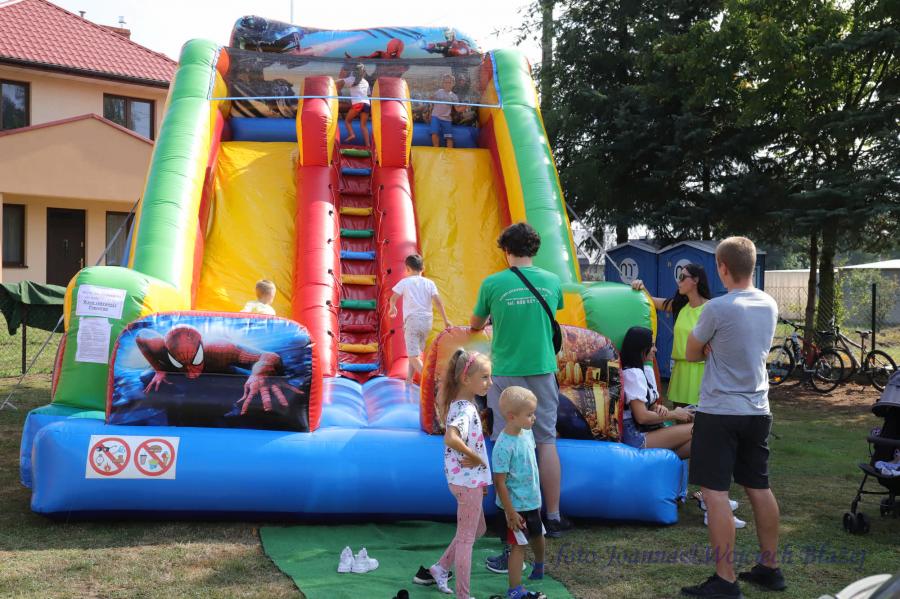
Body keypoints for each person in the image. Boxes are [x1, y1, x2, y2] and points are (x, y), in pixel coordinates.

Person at [681, 237, 785, 598]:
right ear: (752, 266)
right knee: (759, 486)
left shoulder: (717, 308)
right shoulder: (769, 304)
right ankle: (770, 568)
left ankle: (725, 579)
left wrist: (708, 346)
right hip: (757, 410)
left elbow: (691, 353)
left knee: (715, 493)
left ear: (722, 268)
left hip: (720, 412)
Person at [470, 222, 570, 575]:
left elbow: (475, 322)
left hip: (507, 372)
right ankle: (553, 516)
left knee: (506, 442)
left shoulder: (493, 283)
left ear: (505, 250)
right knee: (546, 440)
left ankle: (511, 521)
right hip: (542, 369)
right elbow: (552, 314)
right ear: (534, 249)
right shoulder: (552, 281)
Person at [418, 349, 493, 598]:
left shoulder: (461, 405)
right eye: (485, 377)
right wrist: (475, 458)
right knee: (466, 540)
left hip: (468, 481)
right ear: (466, 379)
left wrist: (481, 477)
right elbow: (451, 438)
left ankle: (440, 567)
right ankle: (463, 594)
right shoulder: (465, 410)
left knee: (477, 529)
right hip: (466, 482)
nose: (490, 383)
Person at [492, 386, 548, 599]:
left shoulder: (527, 433)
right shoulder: (503, 446)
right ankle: (514, 589)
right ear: (511, 417)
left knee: (538, 534)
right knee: (518, 545)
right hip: (515, 506)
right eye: (529, 414)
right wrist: (510, 512)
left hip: (532, 500)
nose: (534, 418)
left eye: (534, 413)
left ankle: (540, 565)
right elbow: (499, 482)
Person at [631, 263, 712, 407]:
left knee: (701, 419)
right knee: (680, 418)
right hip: (680, 372)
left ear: (695, 280)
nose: (678, 281)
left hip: (702, 373)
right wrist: (641, 287)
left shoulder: (712, 308)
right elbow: (650, 302)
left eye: (682, 277)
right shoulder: (679, 306)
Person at [619, 326, 695, 457]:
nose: (655, 349)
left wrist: (657, 408)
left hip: (641, 431)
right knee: (698, 430)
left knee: (699, 437)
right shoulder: (633, 374)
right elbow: (642, 417)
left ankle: (666, 461)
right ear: (641, 348)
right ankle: (667, 460)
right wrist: (675, 414)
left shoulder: (640, 371)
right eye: (652, 345)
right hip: (636, 437)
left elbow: (646, 406)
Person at [389, 254, 451, 385]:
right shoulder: (430, 283)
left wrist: (392, 307)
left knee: (412, 356)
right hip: (427, 321)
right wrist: (446, 320)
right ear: (423, 268)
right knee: (415, 354)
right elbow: (438, 302)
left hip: (413, 321)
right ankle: (409, 379)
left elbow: (393, 297)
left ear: (407, 269)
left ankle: (432, 381)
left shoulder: (405, 282)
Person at [337, 63, 370, 147]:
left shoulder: (352, 79)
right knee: (363, 126)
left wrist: (336, 87)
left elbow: (340, 82)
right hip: (367, 104)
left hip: (358, 104)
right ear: (364, 73)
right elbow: (368, 94)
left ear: (354, 72)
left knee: (347, 121)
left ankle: (352, 134)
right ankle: (368, 146)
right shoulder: (366, 82)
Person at [431, 73, 465, 148]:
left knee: (449, 137)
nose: (447, 84)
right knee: (434, 133)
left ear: (453, 84)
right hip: (436, 116)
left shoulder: (454, 96)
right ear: (443, 83)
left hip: (446, 119)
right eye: (445, 82)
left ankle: (449, 152)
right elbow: (431, 99)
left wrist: (465, 106)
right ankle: (436, 149)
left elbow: (457, 109)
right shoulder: (439, 92)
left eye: (449, 83)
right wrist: (430, 98)